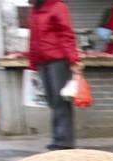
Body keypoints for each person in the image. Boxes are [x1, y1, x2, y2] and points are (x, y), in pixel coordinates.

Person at [28, 0, 83, 150]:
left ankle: (64, 142)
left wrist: (73, 60)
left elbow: (66, 34)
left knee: (61, 101)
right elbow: (33, 39)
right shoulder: (35, 9)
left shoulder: (57, 6)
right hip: (42, 62)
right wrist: (32, 63)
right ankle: (58, 138)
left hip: (58, 60)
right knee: (52, 101)